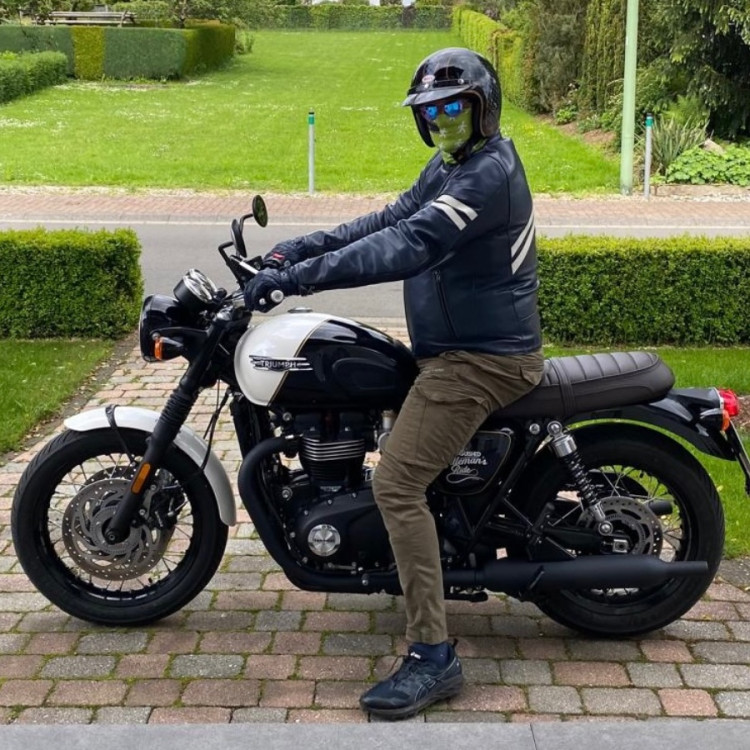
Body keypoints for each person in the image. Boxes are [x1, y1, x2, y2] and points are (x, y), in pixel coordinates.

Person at [244, 47, 544, 720]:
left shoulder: (486, 175)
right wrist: (301, 248)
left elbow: (410, 244)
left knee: (397, 484)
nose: (440, 121)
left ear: (483, 108)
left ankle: (433, 655)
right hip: (452, 351)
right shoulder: (452, 165)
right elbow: (389, 219)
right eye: (429, 112)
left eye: (453, 107)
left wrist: (297, 280)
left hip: (481, 360)